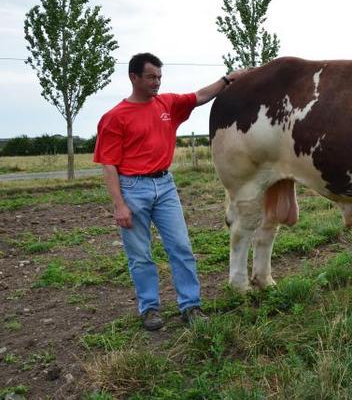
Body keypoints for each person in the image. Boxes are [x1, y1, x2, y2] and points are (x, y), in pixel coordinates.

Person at [94, 52, 249, 331]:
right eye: (151, 77)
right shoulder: (114, 117)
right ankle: (150, 309)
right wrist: (119, 205)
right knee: (140, 255)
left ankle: (190, 306)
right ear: (134, 77)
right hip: (132, 188)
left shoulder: (168, 104)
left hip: (165, 186)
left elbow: (200, 96)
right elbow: (108, 165)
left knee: (181, 248)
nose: (157, 83)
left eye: (160, 77)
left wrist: (226, 79)